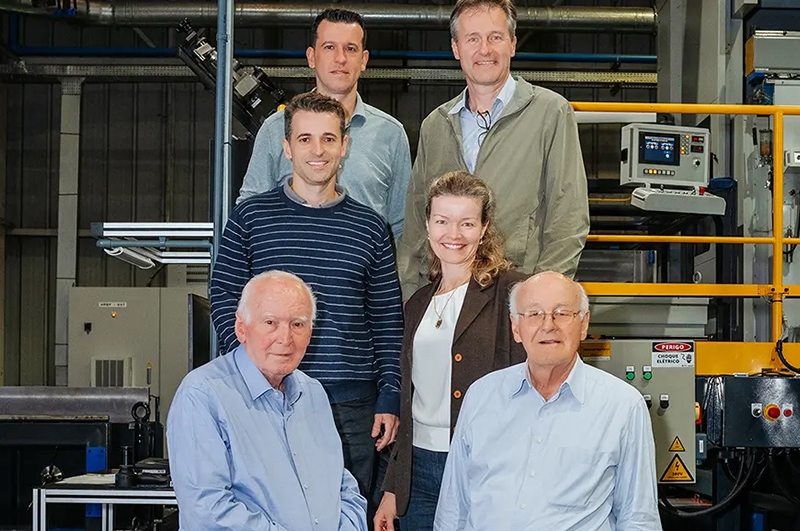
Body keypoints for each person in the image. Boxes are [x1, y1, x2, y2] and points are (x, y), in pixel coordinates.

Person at [210, 92, 404, 501]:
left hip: (351, 406)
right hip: (269, 398)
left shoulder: (371, 228)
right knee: (272, 511)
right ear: (286, 147)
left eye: (329, 139)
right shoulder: (250, 219)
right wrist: (251, 364)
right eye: (305, 139)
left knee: (348, 514)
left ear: (344, 146)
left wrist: (389, 393)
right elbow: (225, 294)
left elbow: (387, 317)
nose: (318, 151)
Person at [397, 0, 590, 297]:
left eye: (495, 37)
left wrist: (540, 300)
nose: (484, 49)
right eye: (472, 38)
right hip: (446, 296)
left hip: (516, 294)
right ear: (456, 48)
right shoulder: (436, 124)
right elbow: (417, 223)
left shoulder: (550, 113)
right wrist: (413, 297)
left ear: (512, 44)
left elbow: (568, 219)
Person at [433, 271, 661, 531]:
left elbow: (639, 518)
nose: (548, 325)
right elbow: (453, 510)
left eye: (562, 313)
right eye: (534, 314)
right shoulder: (481, 396)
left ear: (584, 324)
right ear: (516, 327)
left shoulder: (622, 406)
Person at [374, 171, 527, 531]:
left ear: (485, 227)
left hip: (486, 467)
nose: (454, 235)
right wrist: (394, 487)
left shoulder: (513, 292)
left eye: (467, 223)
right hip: (419, 471)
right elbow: (412, 405)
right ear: (427, 225)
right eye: (442, 221)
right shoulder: (416, 304)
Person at [168, 271, 368, 531]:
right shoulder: (202, 395)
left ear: (311, 332)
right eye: (271, 322)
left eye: (297, 324)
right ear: (241, 328)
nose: (285, 338)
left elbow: (342, 484)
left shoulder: (314, 394)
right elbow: (207, 510)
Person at [238, 8, 412, 241]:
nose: (340, 58)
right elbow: (248, 214)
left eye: (350, 49)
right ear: (311, 57)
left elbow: (403, 226)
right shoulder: (275, 128)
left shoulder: (391, 134)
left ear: (364, 60)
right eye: (329, 47)